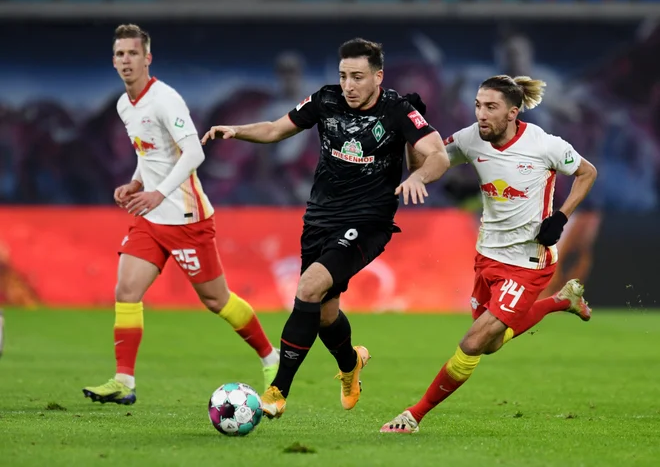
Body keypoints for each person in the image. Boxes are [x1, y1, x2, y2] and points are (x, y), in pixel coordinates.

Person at [202, 38, 451, 419]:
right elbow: (273, 130)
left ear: (378, 76)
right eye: (343, 76)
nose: (349, 85)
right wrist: (236, 131)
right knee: (324, 312)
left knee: (308, 287)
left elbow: (438, 154)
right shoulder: (325, 100)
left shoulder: (398, 109)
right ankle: (351, 364)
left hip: (368, 222)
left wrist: (419, 176)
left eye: (358, 77)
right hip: (319, 219)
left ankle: (277, 390)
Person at [380, 75, 598, 433]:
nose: (481, 114)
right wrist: (412, 134)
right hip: (487, 257)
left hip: (529, 262)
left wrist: (561, 217)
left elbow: (587, 172)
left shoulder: (543, 144)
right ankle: (562, 302)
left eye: (491, 107)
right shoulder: (469, 139)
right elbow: (423, 168)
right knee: (491, 344)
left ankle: (413, 415)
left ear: (513, 112)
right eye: (478, 105)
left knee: (472, 342)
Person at [82, 24, 279, 405]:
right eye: (120, 54)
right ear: (113, 60)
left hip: (187, 219)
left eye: (133, 54)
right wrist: (137, 183)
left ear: (147, 58)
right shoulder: (125, 104)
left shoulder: (165, 99)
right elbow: (149, 153)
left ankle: (271, 358)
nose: (126, 60)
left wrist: (158, 192)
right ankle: (124, 381)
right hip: (151, 218)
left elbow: (194, 152)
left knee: (216, 300)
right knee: (126, 290)